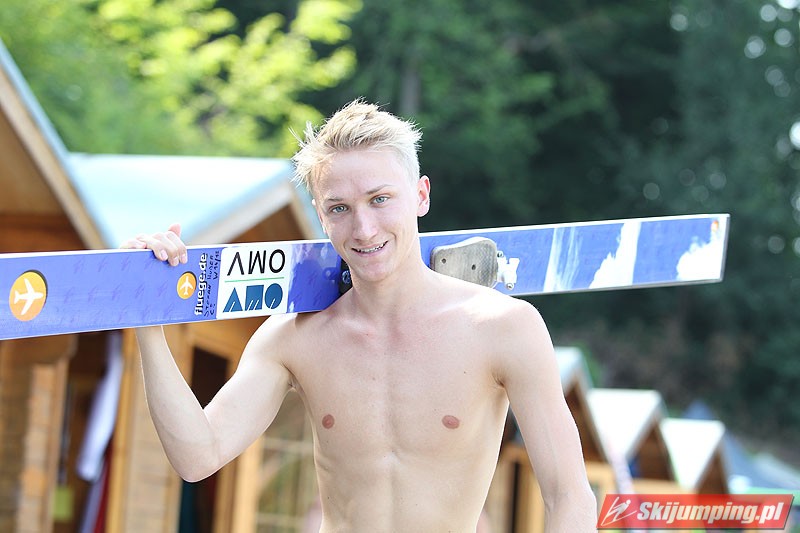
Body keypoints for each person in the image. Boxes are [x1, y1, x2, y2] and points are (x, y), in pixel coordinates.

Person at [122, 100, 597, 531]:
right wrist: (149, 324)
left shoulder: (503, 328)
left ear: (421, 195)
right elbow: (197, 455)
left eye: (380, 199)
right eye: (340, 209)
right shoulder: (294, 338)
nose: (364, 228)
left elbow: (569, 496)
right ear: (321, 215)